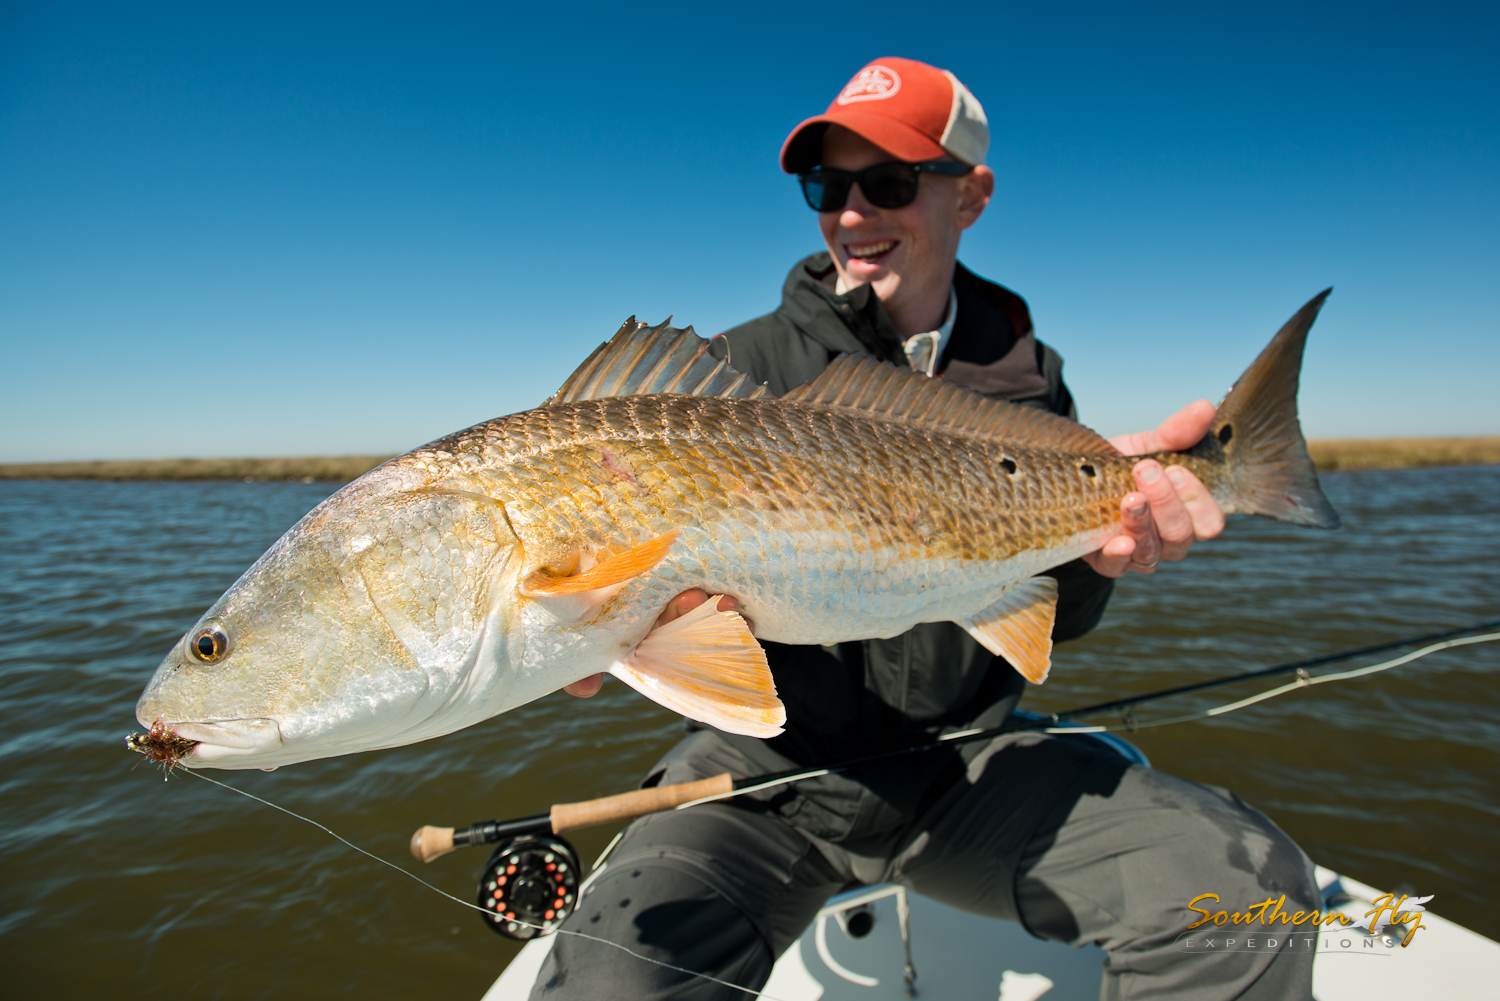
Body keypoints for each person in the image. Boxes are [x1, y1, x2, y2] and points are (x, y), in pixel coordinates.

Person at [535, 57, 1319, 1000]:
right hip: (764, 768)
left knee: (1248, 900)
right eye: (827, 184)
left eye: (890, 181)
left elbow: (1048, 614)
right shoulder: (729, 372)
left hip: (965, 767)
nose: (852, 213)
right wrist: (582, 630)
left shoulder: (1031, 380)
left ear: (972, 196)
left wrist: (1109, 545)